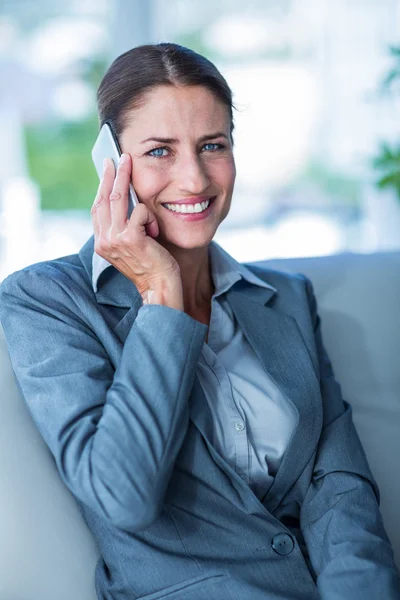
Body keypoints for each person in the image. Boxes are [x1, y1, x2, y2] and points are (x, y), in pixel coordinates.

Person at [0, 43, 399, 600]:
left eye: (212, 145)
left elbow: (339, 486)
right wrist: (164, 298)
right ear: (109, 164)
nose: (194, 179)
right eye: (160, 151)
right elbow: (124, 496)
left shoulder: (283, 298)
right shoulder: (46, 300)